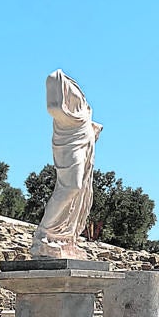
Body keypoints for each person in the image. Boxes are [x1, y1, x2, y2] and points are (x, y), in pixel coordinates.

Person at [30, 69, 104, 260]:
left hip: (82, 136)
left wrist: (89, 126)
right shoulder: (56, 77)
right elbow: (53, 108)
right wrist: (79, 121)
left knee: (79, 191)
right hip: (69, 136)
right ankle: (44, 233)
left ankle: (63, 238)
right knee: (71, 186)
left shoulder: (72, 87)